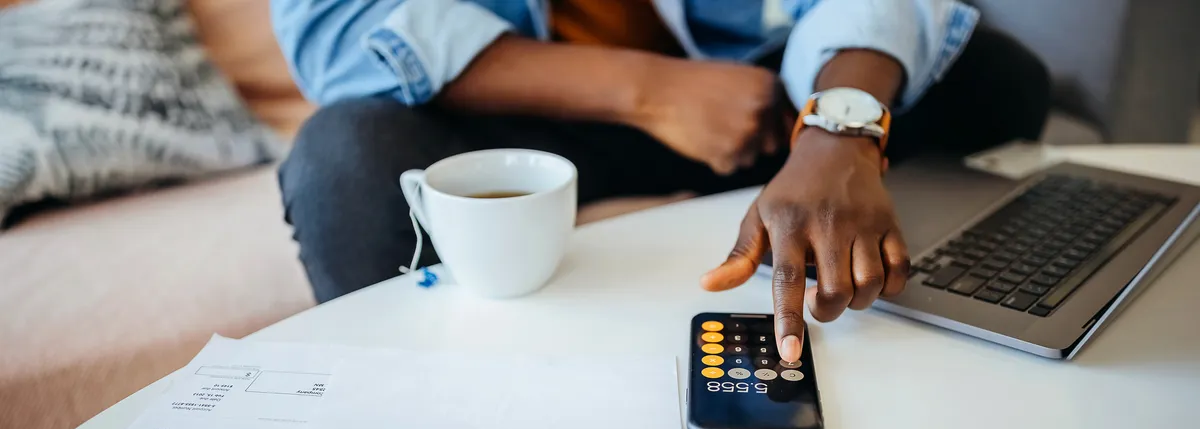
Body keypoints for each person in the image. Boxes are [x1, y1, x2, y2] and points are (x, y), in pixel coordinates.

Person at [273, 0, 1050, 364]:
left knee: (997, 78)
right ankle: (401, 417)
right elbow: (333, 26)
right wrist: (653, 90)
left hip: (764, 92)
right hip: (525, 99)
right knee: (344, 158)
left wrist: (839, 131)